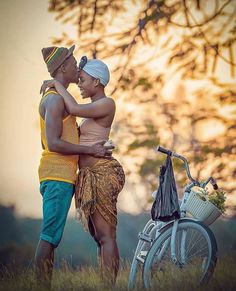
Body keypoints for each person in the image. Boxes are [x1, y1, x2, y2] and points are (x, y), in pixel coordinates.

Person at [40, 56, 125, 284]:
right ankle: (104, 283)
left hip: (101, 173)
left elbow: (74, 108)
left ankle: (109, 286)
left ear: (97, 82)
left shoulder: (107, 103)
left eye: (83, 80)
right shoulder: (94, 108)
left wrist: (56, 84)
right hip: (88, 176)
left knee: (107, 236)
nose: (79, 84)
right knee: (99, 237)